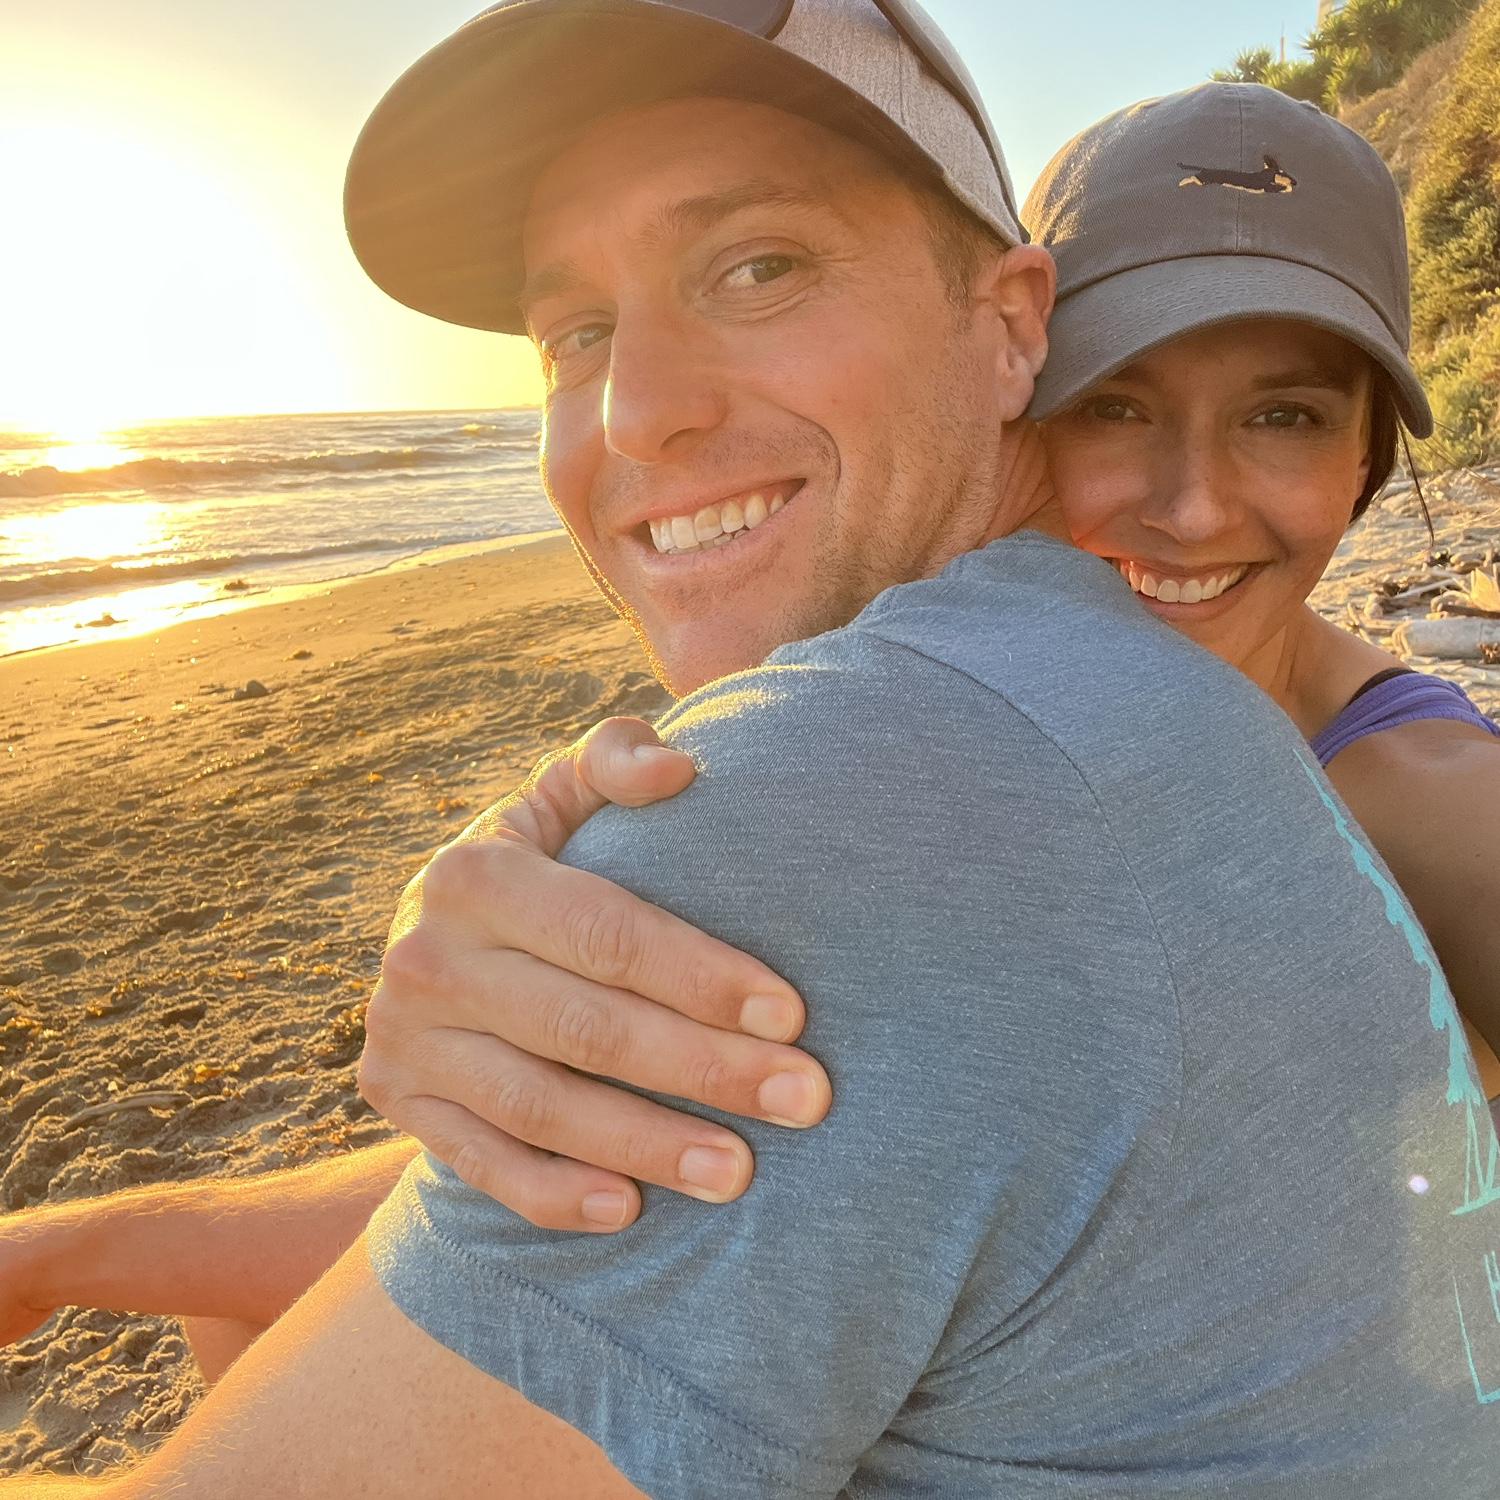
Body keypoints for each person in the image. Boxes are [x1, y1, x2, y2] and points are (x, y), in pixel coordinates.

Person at [2, 4, 1496, 1494]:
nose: (638, 412)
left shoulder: (929, 775)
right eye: (576, 330)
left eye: (761, 266)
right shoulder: (1111, 721)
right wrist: (93, 1238)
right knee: (234, 1305)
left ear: (1006, 324)